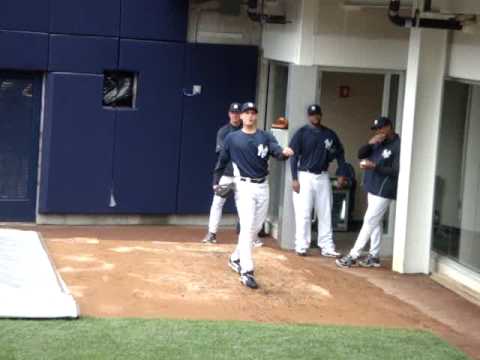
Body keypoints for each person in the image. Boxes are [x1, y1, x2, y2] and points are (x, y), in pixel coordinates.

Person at [214, 102, 294, 289]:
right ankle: (246, 271)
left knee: (255, 228)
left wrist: (284, 153)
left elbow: (276, 151)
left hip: (262, 185)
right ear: (240, 117)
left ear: (256, 116)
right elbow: (222, 159)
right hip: (244, 186)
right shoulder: (232, 138)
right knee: (248, 225)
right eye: (246, 113)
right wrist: (216, 180)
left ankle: (235, 257)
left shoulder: (265, 135)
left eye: (253, 113)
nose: (250, 116)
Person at [336, 116, 401, 268]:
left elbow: (396, 171)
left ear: (389, 127)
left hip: (385, 189)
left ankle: (353, 255)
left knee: (369, 220)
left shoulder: (398, 145)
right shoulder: (378, 142)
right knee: (375, 222)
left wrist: (374, 167)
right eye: (377, 129)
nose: (379, 131)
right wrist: (370, 143)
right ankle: (374, 256)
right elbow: (360, 154)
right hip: (372, 186)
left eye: (381, 128)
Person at [289, 104, 348, 257]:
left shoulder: (329, 134)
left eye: (317, 114)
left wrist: (342, 172)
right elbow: (293, 156)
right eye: (312, 114)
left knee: (325, 212)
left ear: (321, 115)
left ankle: (327, 246)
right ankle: (301, 245)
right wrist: (294, 178)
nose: (315, 117)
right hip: (305, 175)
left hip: (322, 175)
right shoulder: (301, 133)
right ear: (308, 116)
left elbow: (340, 153)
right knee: (304, 212)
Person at [202, 103, 242, 244]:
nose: (235, 115)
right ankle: (212, 233)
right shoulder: (223, 131)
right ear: (229, 113)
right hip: (225, 173)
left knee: (244, 206)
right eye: (233, 112)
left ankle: (249, 236)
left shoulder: (246, 130)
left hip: (242, 176)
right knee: (217, 203)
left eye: (237, 113)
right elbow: (222, 153)